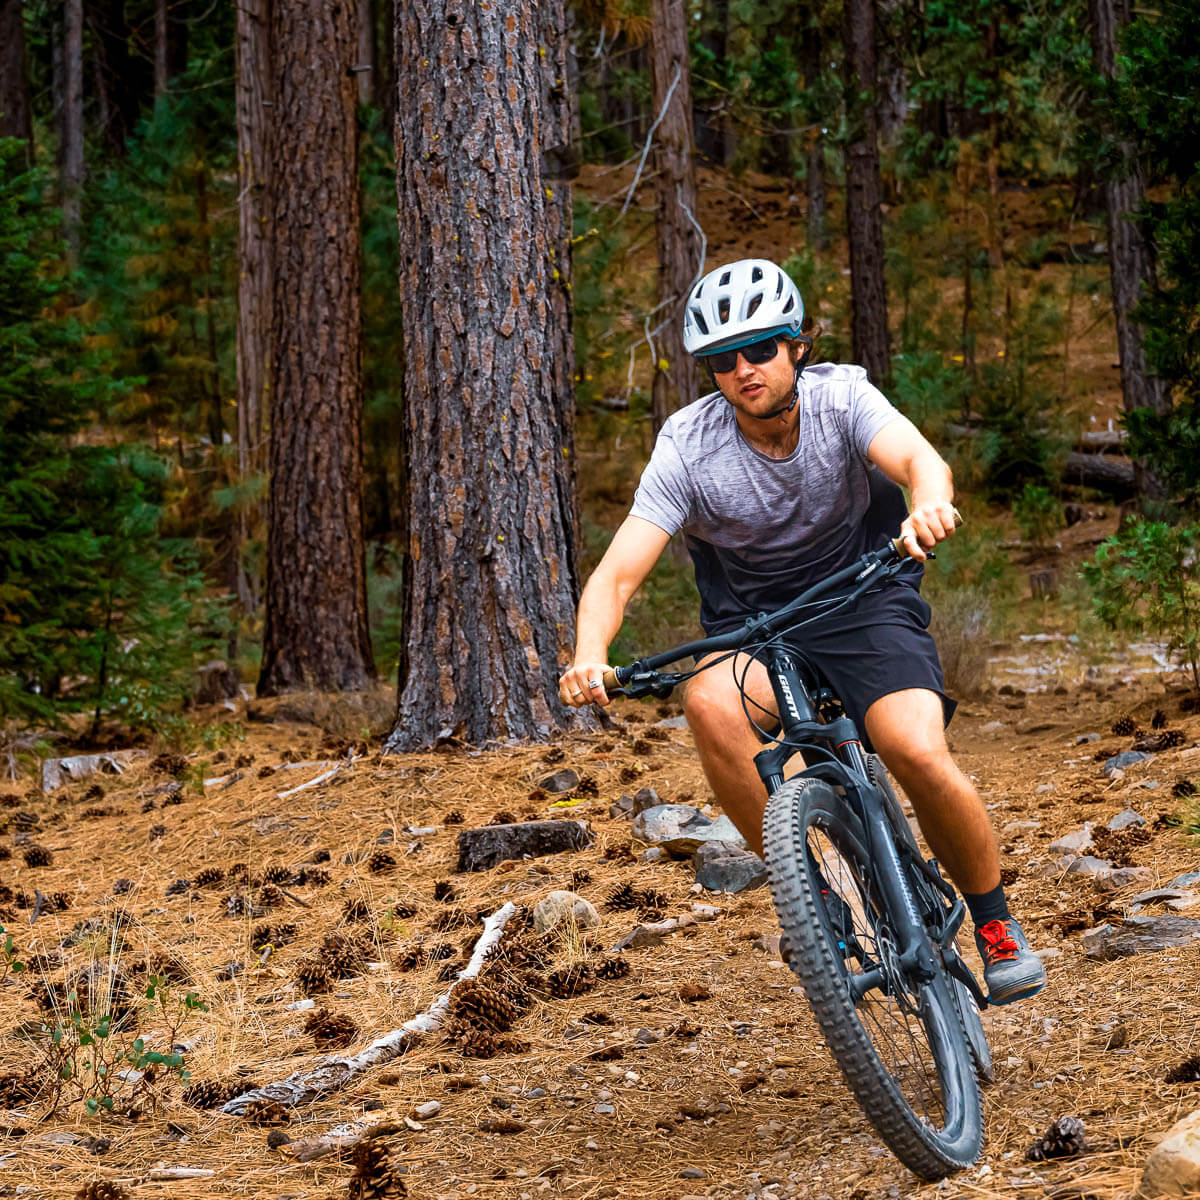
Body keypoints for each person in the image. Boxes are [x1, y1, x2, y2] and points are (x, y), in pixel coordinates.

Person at [559, 258, 1045, 1006]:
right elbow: (619, 574)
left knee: (914, 747)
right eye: (724, 360)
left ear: (797, 346)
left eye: (760, 349)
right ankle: (812, 896)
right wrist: (590, 655)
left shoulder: (842, 397)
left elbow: (920, 460)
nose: (745, 370)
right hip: (754, 629)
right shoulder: (688, 445)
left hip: (863, 597)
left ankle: (994, 921)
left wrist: (929, 505)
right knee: (707, 702)